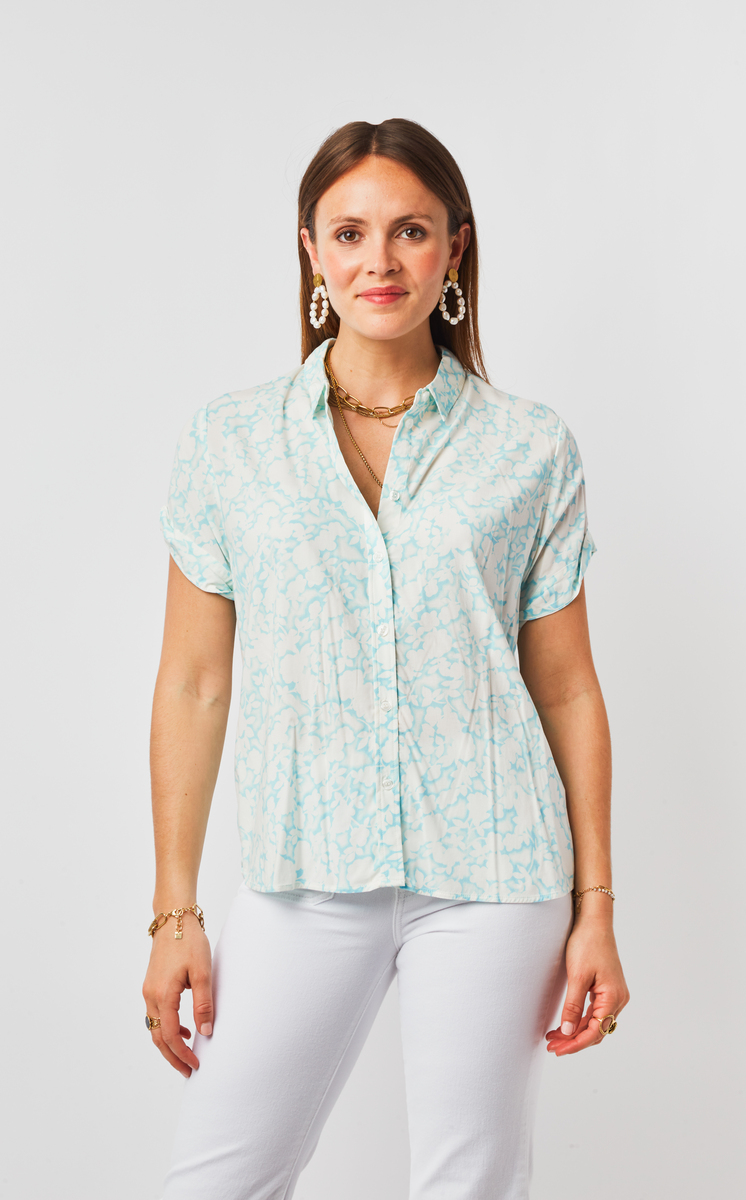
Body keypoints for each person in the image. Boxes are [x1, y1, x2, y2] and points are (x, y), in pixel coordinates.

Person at [143, 117, 630, 1200]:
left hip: (496, 871)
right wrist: (176, 910)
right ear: (310, 251)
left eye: (410, 230)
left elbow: (565, 687)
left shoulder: (529, 446)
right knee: (216, 1180)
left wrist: (595, 907)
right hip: (301, 868)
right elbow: (194, 684)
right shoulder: (230, 442)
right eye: (350, 232)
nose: (380, 260)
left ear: (454, 249)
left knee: (469, 1184)